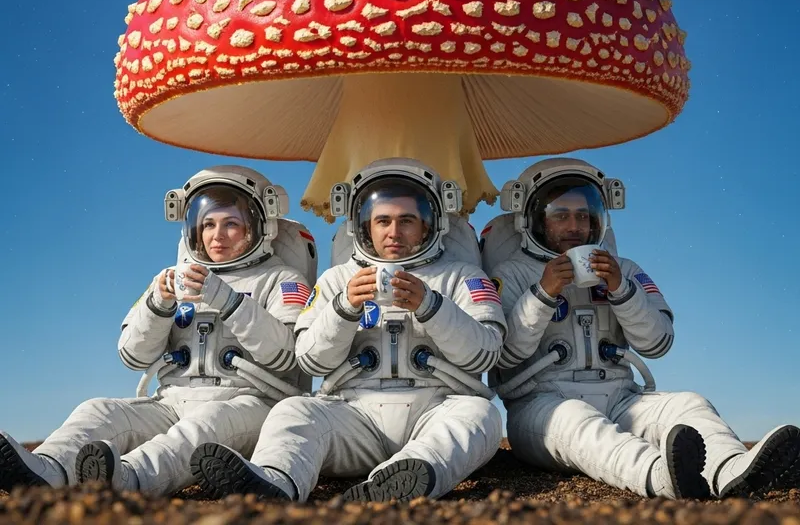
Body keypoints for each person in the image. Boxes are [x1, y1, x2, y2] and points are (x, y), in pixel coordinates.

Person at [481, 157, 800, 500]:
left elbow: (658, 342)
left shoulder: (625, 270)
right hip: (541, 404)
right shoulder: (511, 275)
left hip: (621, 398)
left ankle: (731, 469)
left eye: (583, 215)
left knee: (690, 404)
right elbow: (505, 354)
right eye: (561, 215)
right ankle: (658, 475)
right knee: (577, 421)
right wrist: (543, 293)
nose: (574, 225)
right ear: (537, 221)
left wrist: (621, 289)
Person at [189, 158, 506, 503]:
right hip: (355, 414)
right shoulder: (337, 280)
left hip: (436, 407)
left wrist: (430, 306)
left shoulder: (463, 277)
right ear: (364, 225)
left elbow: (486, 353)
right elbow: (310, 360)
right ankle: (276, 481)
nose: (394, 232)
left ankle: (407, 476)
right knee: (295, 410)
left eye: (407, 221)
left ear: (429, 225)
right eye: (382, 220)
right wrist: (344, 309)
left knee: (480, 414)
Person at [0, 165, 316, 496]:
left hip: (247, 404)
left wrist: (226, 299)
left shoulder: (282, 281)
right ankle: (47, 469)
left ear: (259, 227)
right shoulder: (171, 280)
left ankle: (130, 478)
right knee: (100, 409)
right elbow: (132, 354)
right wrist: (159, 305)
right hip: (172, 400)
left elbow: (288, 356)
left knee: (204, 424)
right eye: (208, 224)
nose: (216, 235)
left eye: (231, 224)